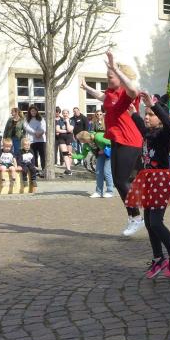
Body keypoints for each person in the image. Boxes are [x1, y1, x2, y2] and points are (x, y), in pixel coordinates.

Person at [82, 52, 144, 237]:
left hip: (130, 140)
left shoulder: (127, 93)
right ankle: (133, 216)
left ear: (120, 77)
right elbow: (102, 97)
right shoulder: (110, 93)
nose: (107, 80)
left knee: (121, 180)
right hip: (116, 140)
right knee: (118, 182)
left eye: (111, 77)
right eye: (107, 76)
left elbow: (133, 90)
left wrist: (115, 68)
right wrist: (87, 88)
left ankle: (137, 217)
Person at [125, 93, 170, 279]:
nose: (147, 117)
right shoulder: (148, 133)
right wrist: (134, 113)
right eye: (146, 114)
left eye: (151, 114)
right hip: (149, 180)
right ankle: (158, 258)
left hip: (161, 181)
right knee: (149, 223)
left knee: (156, 222)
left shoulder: (164, 133)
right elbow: (141, 126)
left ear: (160, 117)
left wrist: (154, 105)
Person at [77, 130, 114, 198]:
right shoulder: (86, 144)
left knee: (107, 172)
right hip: (100, 155)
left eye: (80, 140)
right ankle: (98, 192)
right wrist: (73, 156)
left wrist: (104, 150)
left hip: (109, 153)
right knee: (98, 172)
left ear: (84, 139)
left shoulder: (98, 137)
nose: (79, 141)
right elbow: (83, 155)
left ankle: (110, 191)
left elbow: (112, 143)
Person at [24, 105, 46, 171]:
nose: (33, 112)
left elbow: (44, 127)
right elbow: (26, 127)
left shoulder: (41, 118)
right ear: (29, 112)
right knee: (34, 155)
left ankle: (44, 168)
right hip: (31, 140)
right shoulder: (27, 119)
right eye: (32, 111)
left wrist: (40, 133)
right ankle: (35, 169)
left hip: (41, 140)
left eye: (35, 111)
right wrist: (35, 132)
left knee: (43, 155)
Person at [55, 109, 74, 175]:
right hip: (61, 138)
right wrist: (67, 131)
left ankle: (69, 168)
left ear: (68, 114)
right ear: (62, 114)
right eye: (64, 113)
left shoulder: (72, 121)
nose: (65, 114)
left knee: (69, 154)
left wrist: (67, 122)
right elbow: (57, 130)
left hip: (69, 138)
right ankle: (68, 169)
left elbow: (70, 129)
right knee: (65, 153)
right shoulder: (59, 121)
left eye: (66, 113)